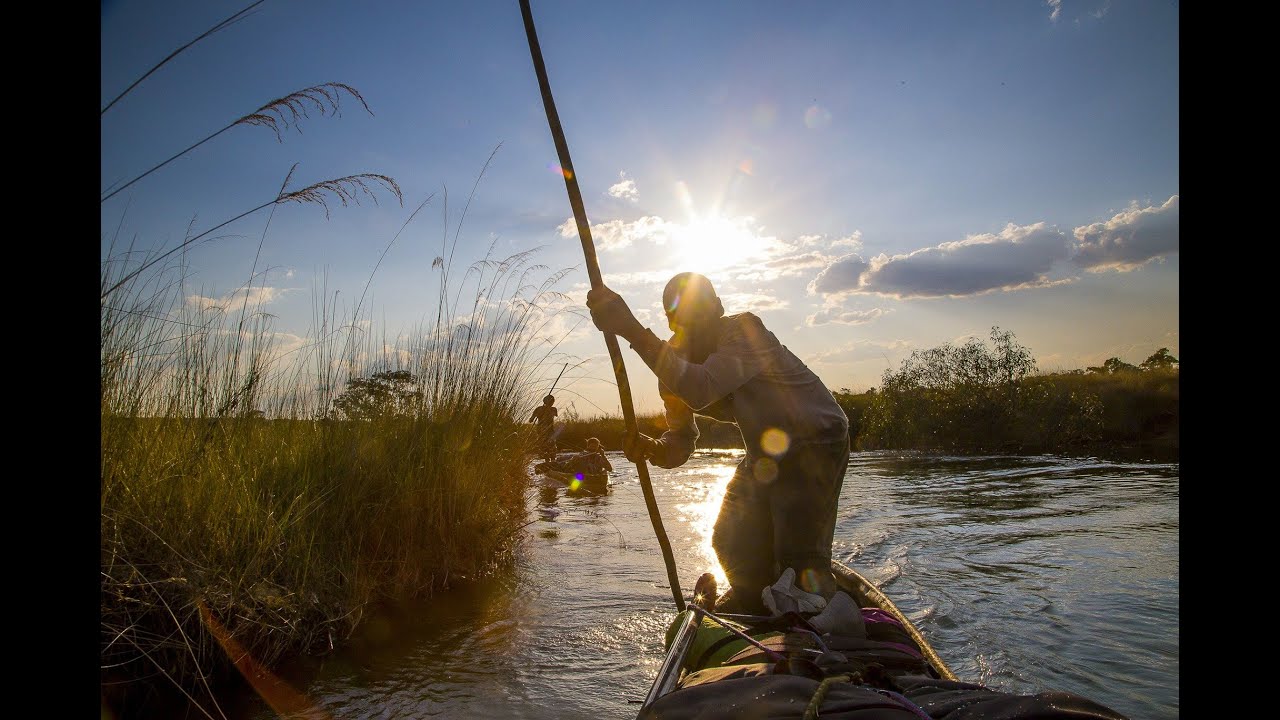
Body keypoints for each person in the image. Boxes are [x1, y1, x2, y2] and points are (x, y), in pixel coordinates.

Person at [587, 272, 850, 614]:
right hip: (765, 452)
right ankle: (755, 602)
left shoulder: (746, 331)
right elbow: (681, 441)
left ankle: (810, 605)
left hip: (816, 440)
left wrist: (630, 329)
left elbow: (701, 387)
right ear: (672, 323)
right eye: (682, 317)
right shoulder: (672, 366)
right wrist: (653, 448)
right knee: (729, 541)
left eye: (701, 312)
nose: (694, 324)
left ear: (719, 309)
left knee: (798, 556)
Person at [530, 394, 558, 461]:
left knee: (552, 446)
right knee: (544, 447)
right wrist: (539, 413)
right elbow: (531, 420)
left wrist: (544, 409)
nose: (552, 403)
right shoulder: (539, 409)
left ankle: (553, 461)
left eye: (553, 402)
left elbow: (553, 414)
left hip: (550, 431)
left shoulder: (553, 409)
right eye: (551, 401)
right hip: (541, 431)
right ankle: (547, 461)